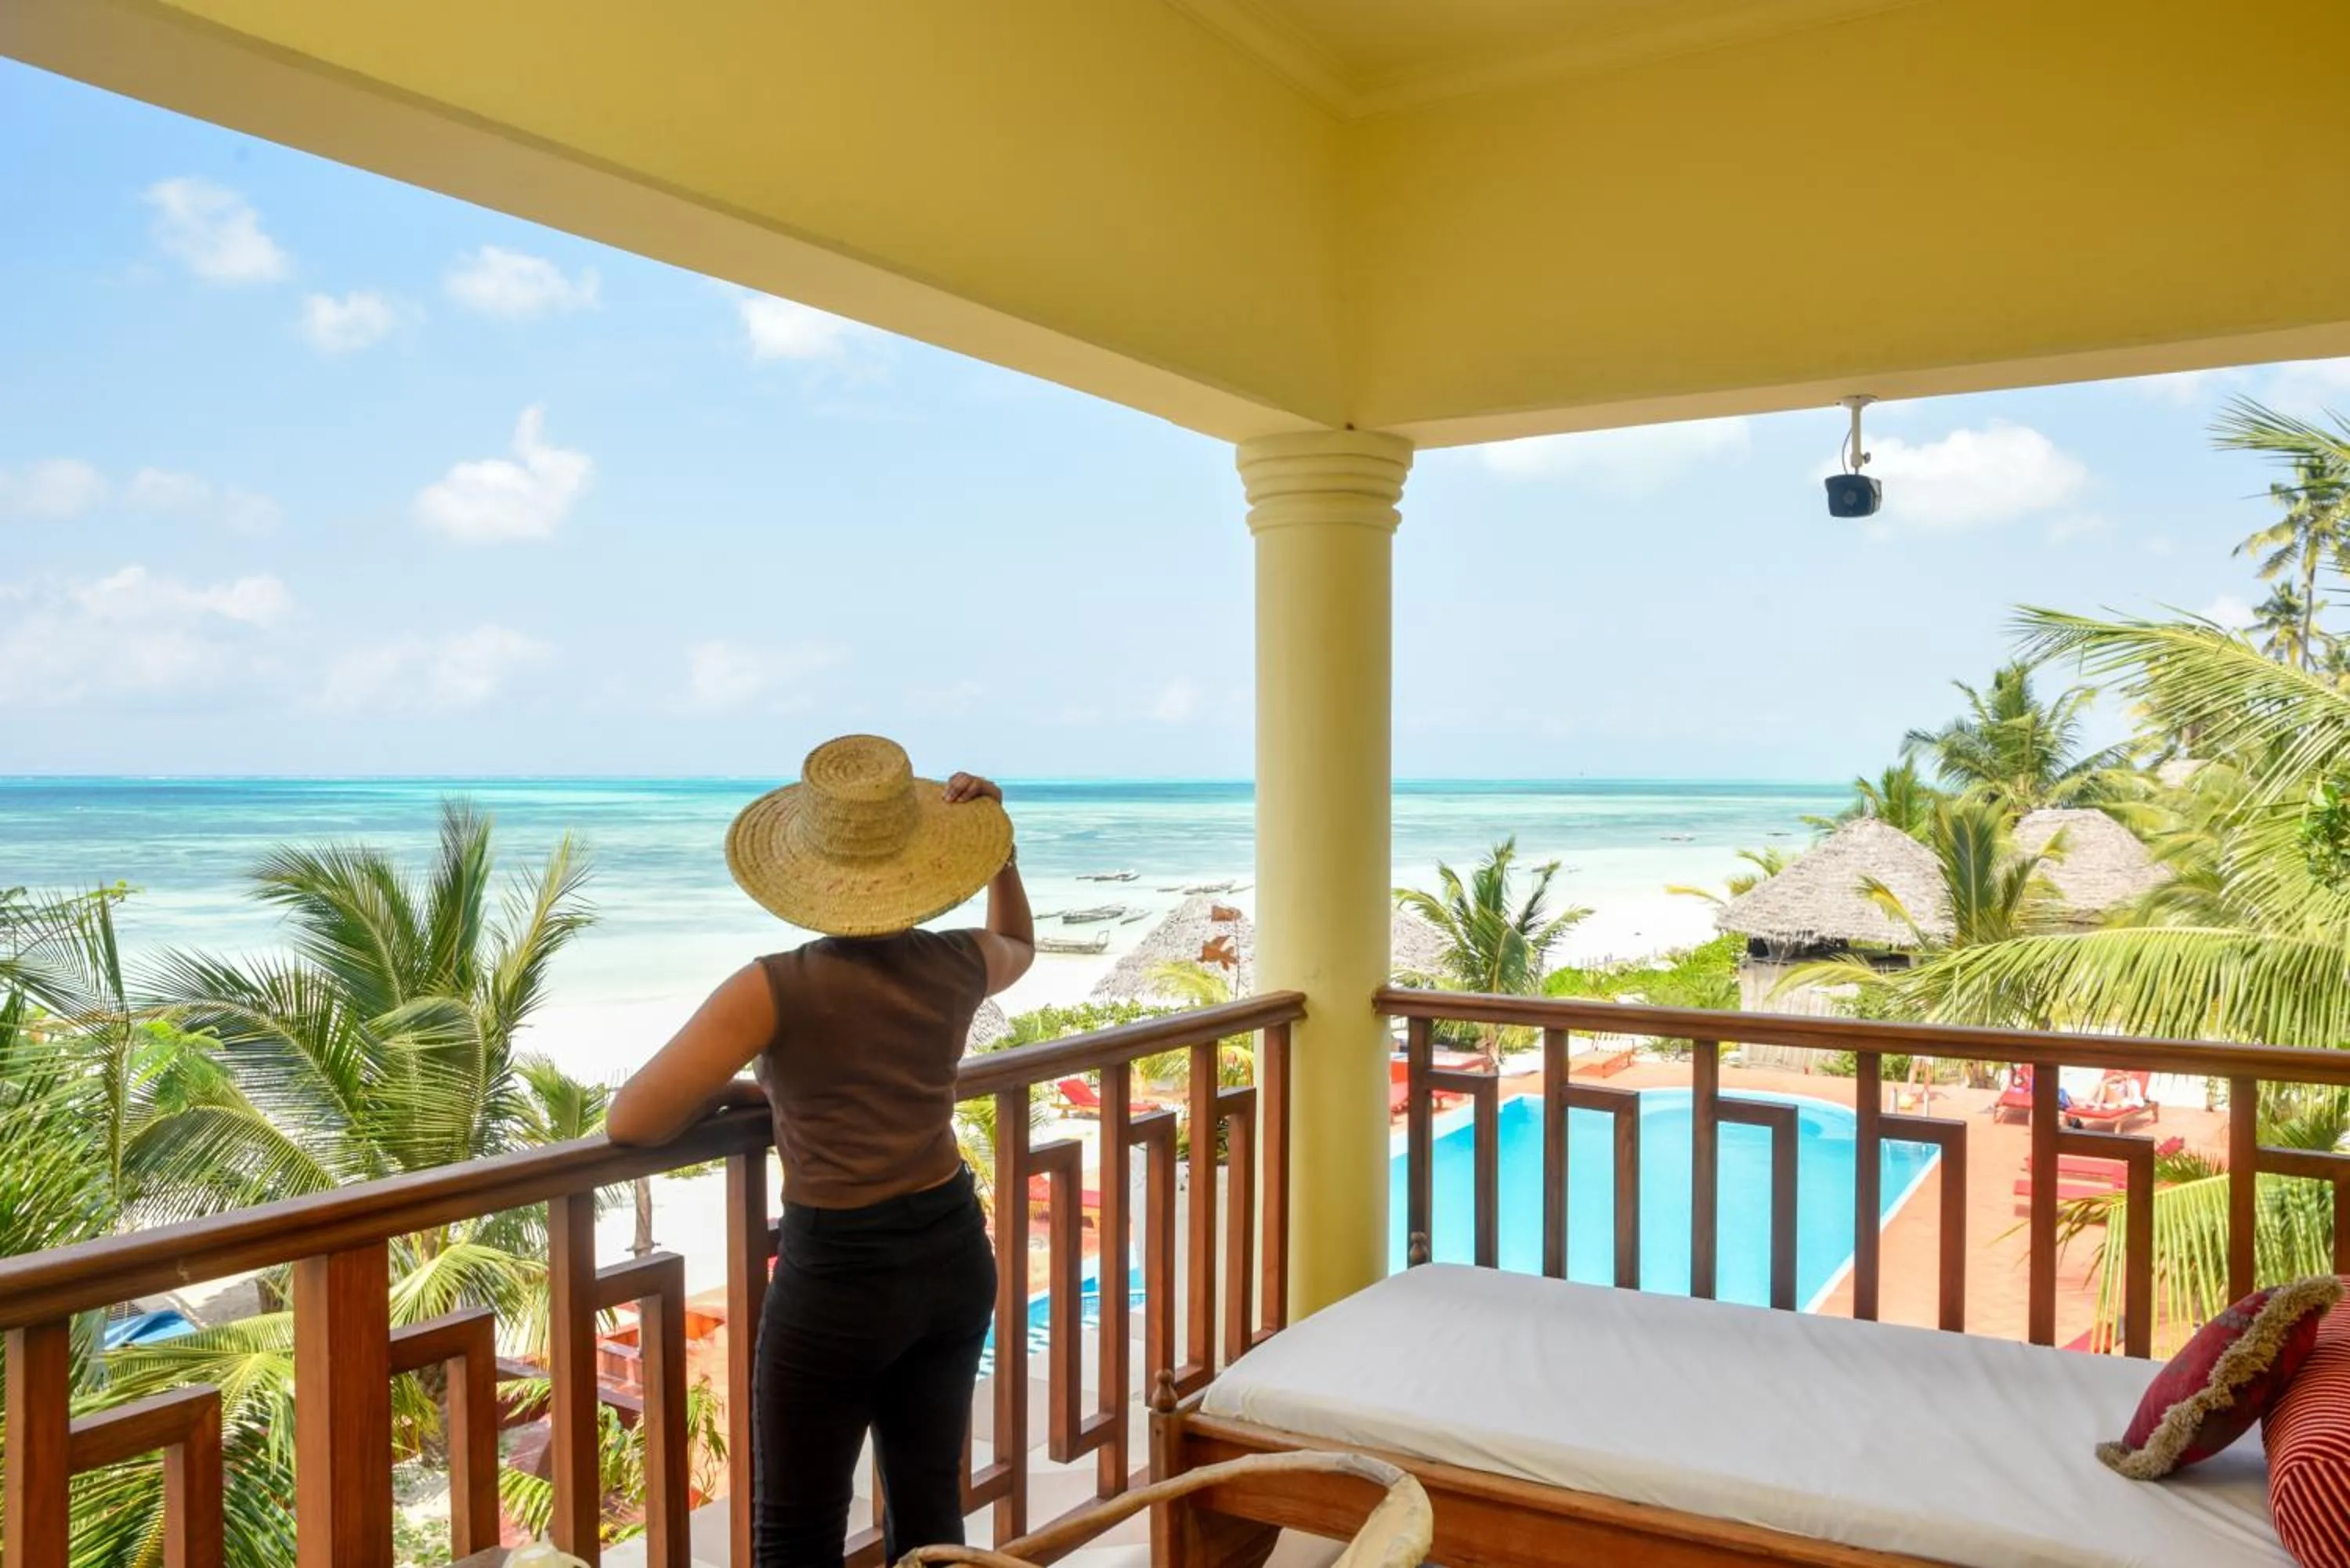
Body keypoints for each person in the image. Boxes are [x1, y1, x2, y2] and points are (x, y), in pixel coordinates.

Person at [607, 734, 1034, 1566]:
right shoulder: (957, 961)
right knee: (929, 1506)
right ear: (919, 864)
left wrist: (741, 1093)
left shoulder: (773, 987)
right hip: (951, 1252)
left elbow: (633, 1121)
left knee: (797, 1534)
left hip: (840, 1280)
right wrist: (1003, 858)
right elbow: (1019, 944)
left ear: (811, 874)